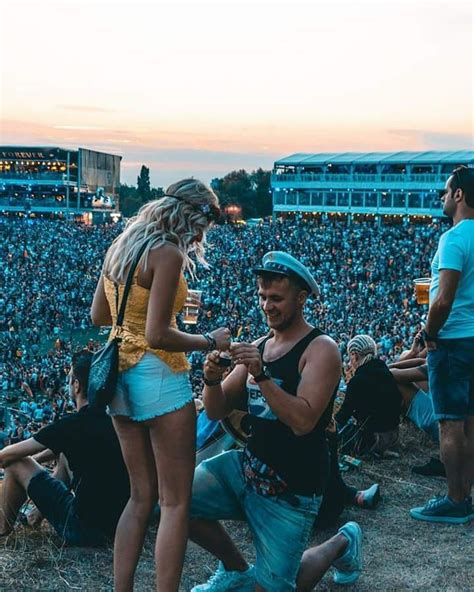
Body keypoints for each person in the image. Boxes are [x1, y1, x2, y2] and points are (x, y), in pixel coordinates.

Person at [188, 251, 362, 592]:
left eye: (277, 299)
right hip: (248, 470)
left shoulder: (321, 349)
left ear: (301, 299)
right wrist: (209, 379)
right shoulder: (260, 345)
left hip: (292, 490)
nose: (267, 306)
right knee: (175, 500)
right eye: (262, 297)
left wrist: (262, 376)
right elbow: (215, 411)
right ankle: (237, 569)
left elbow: (303, 421)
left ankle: (342, 542)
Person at [91, 179, 231, 592]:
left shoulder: (120, 247)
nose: (202, 236)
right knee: (174, 502)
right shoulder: (167, 253)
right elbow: (157, 334)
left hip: (119, 379)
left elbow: (100, 315)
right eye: (204, 224)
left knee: (139, 497)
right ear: (192, 214)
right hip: (159, 377)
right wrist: (210, 341)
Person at [0, 350, 130, 545]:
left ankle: (2, 529)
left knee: (16, 463)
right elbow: (59, 448)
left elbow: (5, 458)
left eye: (70, 379)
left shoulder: (72, 425)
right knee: (64, 456)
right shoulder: (112, 420)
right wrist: (34, 465)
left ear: (76, 385)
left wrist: (26, 468)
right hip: (118, 526)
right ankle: (35, 517)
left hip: (81, 529)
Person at [410, 166, 474, 524]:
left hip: (452, 342)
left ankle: (455, 500)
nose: (442, 197)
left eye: (446, 192)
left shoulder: (454, 238)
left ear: (459, 195)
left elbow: (443, 300)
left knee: (450, 424)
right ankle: (466, 494)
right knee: (471, 422)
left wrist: (429, 332)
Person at [336, 335, 402, 457]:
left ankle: (374, 450)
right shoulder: (385, 371)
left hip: (374, 438)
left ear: (354, 355)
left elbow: (344, 415)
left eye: (350, 356)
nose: (350, 361)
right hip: (393, 435)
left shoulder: (358, 381)